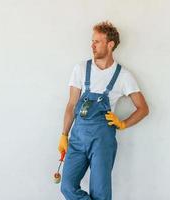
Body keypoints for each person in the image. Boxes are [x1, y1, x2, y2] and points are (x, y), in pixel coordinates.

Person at [58, 21, 149, 200]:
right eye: (92, 41)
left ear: (110, 44)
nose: (92, 45)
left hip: (103, 142)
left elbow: (143, 109)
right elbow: (71, 105)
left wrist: (122, 124)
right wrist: (64, 134)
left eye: (97, 41)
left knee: (101, 193)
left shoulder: (123, 76)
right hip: (77, 139)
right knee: (67, 187)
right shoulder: (81, 69)